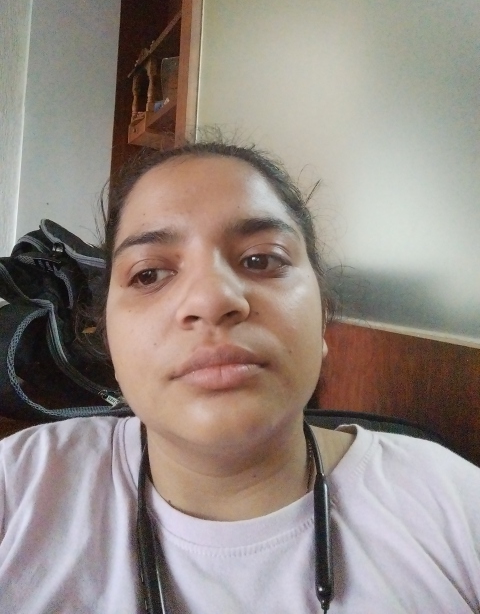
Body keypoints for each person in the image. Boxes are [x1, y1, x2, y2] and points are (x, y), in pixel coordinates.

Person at [0, 140, 479, 614]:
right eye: (149, 274)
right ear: (109, 340)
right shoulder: (19, 487)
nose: (211, 299)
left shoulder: (452, 503)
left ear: (321, 320)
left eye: (261, 260)